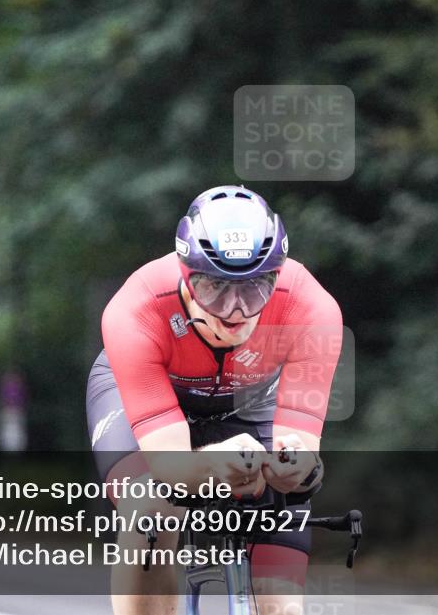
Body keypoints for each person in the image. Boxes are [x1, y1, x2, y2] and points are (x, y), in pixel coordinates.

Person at [87, 185, 343, 615]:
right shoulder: (137, 309)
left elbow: (300, 455)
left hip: (248, 400)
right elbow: (169, 468)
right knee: (149, 506)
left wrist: (295, 467)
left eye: (255, 289)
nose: (235, 311)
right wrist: (213, 460)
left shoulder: (311, 309)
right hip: (150, 397)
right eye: (215, 289)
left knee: (281, 602)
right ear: (186, 276)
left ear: (277, 276)